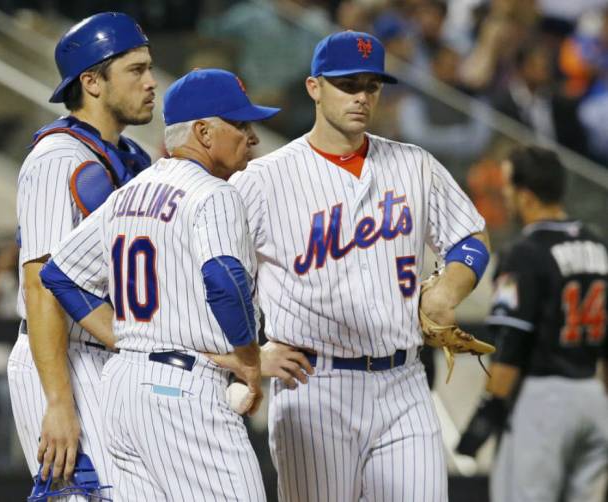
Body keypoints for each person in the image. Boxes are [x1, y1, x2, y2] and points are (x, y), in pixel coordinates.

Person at [229, 30, 492, 502]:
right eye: (348, 84)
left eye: (371, 85)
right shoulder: (264, 180)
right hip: (315, 385)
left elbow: (470, 236)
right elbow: (218, 273)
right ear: (314, 88)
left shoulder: (414, 165)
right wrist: (250, 354)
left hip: (404, 379)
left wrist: (448, 289)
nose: (362, 97)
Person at [40, 68, 284, 501]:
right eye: (241, 125)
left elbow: (62, 274)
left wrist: (127, 338)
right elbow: (223, 277)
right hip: (183, 392)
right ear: (204, 132)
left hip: (121, 391)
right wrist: (249, 356)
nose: (253, 136)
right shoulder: (213, 193)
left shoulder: (131, 192)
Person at [6, 11, 155, 495]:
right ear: (91, 82)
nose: (151, 83)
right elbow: (40, 283)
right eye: (136, 70)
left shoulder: (127, 157)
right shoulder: (58, 160)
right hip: (61, 358)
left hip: (105, 359)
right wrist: (57, 403)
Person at [457, 146, 608, 502]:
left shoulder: (525, 252)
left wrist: (487, 413)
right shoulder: (598, 246)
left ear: (525, 195)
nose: (505, 196)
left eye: (508, 187)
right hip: (593, 395)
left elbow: (511, 344)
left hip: (543, 400)